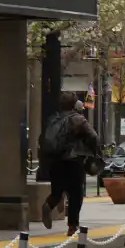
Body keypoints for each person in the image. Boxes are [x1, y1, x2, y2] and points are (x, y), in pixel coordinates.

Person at [40, 92, 102, 236]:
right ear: (75, 105)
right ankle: (72, 226)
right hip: (73, 161)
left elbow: (42, 139)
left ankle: (48, 205)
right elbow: (93, 137)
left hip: (55, 161)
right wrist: (92, 151)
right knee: (76, 194)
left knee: (57, 191)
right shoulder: (78, 120)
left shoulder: (53, 119)